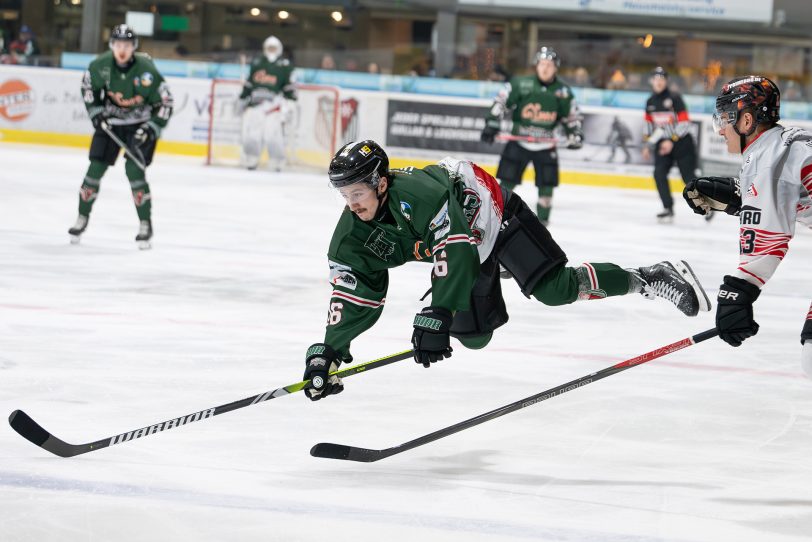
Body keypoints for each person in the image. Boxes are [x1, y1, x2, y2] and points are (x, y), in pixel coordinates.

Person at [301, 140, 711, 400]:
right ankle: (500, 269)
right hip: (464, 249)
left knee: (552, 288)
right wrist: (330, 352)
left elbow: (455, 249)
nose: (352, 203)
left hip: (493, 217)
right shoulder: (351, 234)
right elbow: (355, 293)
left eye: (357, 192)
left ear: (381, 183)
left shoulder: (420, 195)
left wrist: (439, 311)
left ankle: (649, 276)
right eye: (345, 195)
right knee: (474, 338)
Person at [682, 76, 812, 376]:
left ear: (747, 120)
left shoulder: (768, 159)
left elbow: (768, 242)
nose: (720, 129)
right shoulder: (783, 144)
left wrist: (737, 293)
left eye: (725, 118)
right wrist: (743, 195)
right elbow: (786, 193)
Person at [68, 24, 173, 249]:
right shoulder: (100, 65)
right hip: (111, 124)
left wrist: (152, 128)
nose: (122, 49)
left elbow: (165, 102)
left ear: (134, 47)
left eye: (126, 45)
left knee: (134, 171)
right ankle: (82, 217)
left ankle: (145, 223)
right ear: (111, 46)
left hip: (140, 126)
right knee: (94, 169)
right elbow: (88, 88)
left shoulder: (146, 70)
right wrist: (96, 113)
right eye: (118, 45)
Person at [480, 46, 583, 226]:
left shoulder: (563, 91)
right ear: (536, 65)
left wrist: (574, 133)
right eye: (542, 64)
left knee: (546, 185)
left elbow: (571, 116)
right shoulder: (520, 84)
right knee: (507, 181)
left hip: (545, 145)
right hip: (519, 142)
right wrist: (492, 124)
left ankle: (543, 221)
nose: (545, 68)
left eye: (549, 65)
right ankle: (496, 214)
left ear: (556, 68)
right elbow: (501, 102)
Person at [642, 67, 700, 223]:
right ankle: (668, 208)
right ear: (651, 81)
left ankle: (706, 204)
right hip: (663, 144)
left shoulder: (675, 98)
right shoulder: (650, 102)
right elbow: (649, 127)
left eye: (662, 79)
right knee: (659, 173)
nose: (659, 82)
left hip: (682, 143)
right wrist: (648, 145)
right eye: (656, 79)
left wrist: (672, 140)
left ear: (666, 81)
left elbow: (685, 123)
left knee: (688, 178)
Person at [238, 36, 296, 171]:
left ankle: (277, 162)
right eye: (269, 48)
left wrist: (290, 102)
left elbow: (290, 87)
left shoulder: (285, 66)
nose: (271, 50)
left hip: (273, 106)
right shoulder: (257, 63)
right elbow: (249, 84)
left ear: (279, 49)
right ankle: (251, 159)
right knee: (251, 135)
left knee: (273, 136)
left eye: (274, 48)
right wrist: (243, 97)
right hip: (255, 105)